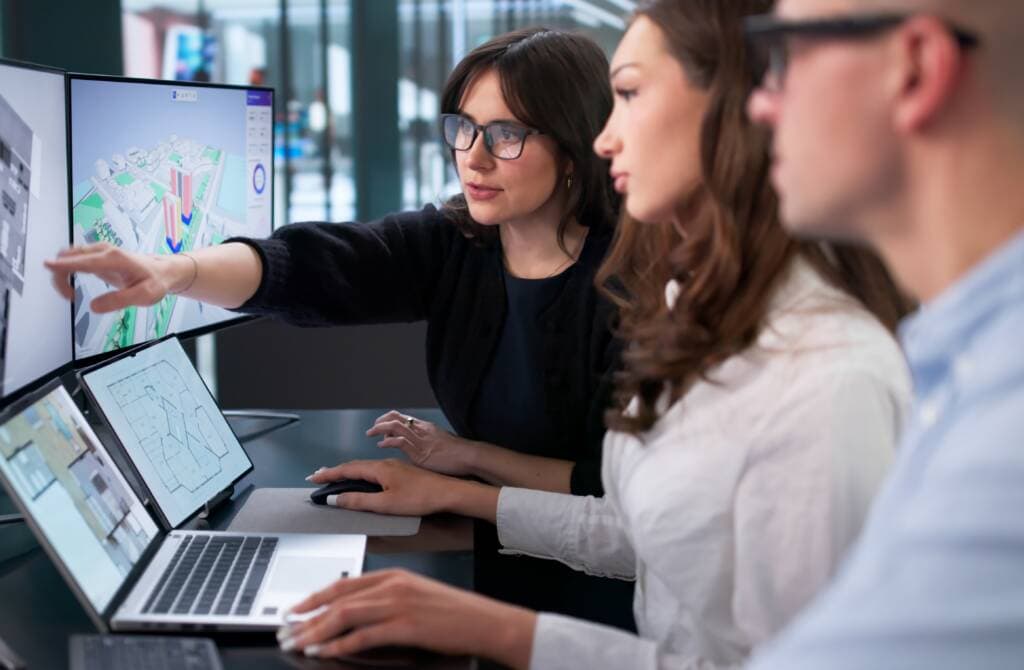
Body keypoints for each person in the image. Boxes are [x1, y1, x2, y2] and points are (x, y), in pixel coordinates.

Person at [277, 2, 913, 666]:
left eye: (631, 95)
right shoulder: (695, 305)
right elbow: (644, 533)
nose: (604, 139)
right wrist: (453, 493)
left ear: (746, 111)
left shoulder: (830, 378)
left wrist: (497, 632)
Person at [45, 28, 636, 629]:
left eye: (506, 135)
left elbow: (608, 493)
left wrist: (461, 471)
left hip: (600, 590)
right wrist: (178, 270)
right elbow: (314, 264)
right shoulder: (458, 243)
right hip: (496, 551)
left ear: (574, 145)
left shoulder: (634, 286)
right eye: (463, 127)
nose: (473, 157)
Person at [740, 0, 1024, 667]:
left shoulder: (1006, 439)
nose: (758, 104)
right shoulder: (962, 359)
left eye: (784, 52)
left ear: (916, 70)